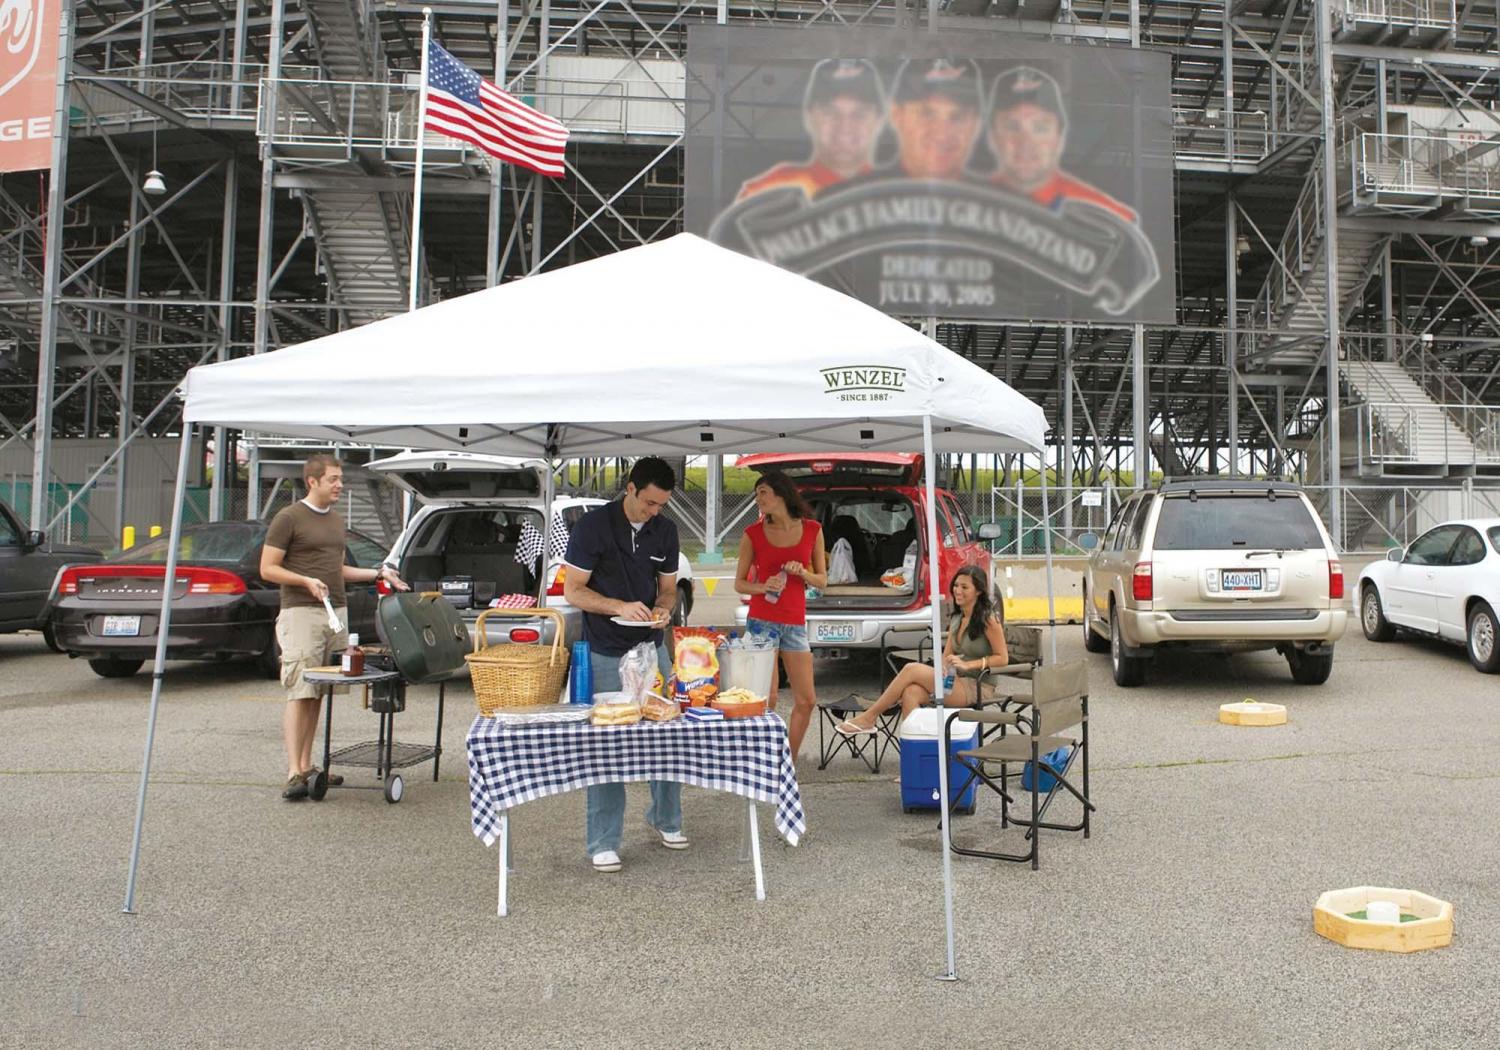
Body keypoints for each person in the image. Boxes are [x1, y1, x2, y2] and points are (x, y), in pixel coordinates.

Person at [561, 456, 687, 874]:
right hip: (604, 646)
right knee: (605, 743)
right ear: (630, 488)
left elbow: (668, 590)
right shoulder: (592, 527)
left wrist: (663, 609)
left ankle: (665, 818)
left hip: (652, 646)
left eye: (661, 506)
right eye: (649, 503)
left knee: (667, 733)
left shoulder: (665, 531)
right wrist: (617, 605)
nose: (654, 512)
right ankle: (603, 840)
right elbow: (574, 591)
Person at [260, 454, 408, 801]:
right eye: (333, 479)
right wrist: (305, 580)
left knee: (319, 691)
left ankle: (308, 765)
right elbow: (267, 568)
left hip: (334, 612)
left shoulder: (336, 521)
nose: (340, 484)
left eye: (340, 478)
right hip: (301, 613)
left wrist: (378, 573)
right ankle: (294, 771)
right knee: (300, 690)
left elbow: (339, 570)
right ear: (312, 481)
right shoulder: (289, 517)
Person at [836, 565, 1007, 735]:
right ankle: (916, 752)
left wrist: (969, 665)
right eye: (956, 585)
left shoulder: (989, 620)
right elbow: (947, 654)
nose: (957, 591)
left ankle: (869, 717)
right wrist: (944, 668)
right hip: (954, 681)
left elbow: (1002, 658)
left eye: (964, 587)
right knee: (911, 693)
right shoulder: (957, 617)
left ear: (978, 591)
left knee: (911, 669)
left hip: (978, 686)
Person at [734, 470, 828, 761]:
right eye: (757, 493)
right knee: (767, 698)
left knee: (807, 699)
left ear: (781, 493)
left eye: (763, 492)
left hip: (795, 623)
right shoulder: (752, 534)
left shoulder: (812, 529)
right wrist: (763, 586)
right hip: (761, 622)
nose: (758, 498)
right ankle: (761, 759)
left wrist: (804, 573)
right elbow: (739, 583)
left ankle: (788, 761)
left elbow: (823, 581)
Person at [986, 65, 1137, 223]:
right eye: (1012, 126)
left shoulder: (1110, 217)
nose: (1025, 142)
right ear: (993, 135)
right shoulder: (967, 205)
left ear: (1059, 136)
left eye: (1040, 128)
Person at [736, 58, 885, 201]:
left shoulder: (898, 194)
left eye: (859, 114)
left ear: (879, 119)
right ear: (809, 117)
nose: (845, 127)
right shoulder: (766, 191)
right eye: (830, 113)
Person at [881, 57, 984, 181]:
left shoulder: (998, 198)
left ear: (976, 123)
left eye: (958, 117)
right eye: (927, 114)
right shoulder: (860, 193)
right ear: (897, 114)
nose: (942, 133)